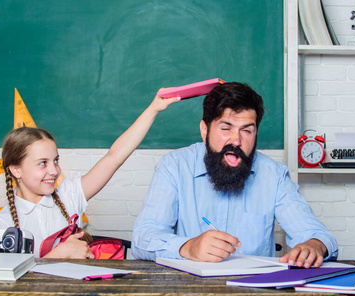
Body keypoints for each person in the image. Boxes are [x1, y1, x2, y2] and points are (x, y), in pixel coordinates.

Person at [131, 82, 338, 268]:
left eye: (247, 130)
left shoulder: (273, 175)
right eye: (226, 128)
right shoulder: (174, 167)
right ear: (205, 130)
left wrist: (314, 246)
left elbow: (317, 235)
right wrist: (188, 247)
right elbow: (143, 239)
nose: (236, 140)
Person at [0, 91, 180, 259]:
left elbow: (114, 157)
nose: (53, 170)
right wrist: (57, 255)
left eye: (56, 160)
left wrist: (153, 109)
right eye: (42, 163)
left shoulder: (69, 195)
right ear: (15, 169)